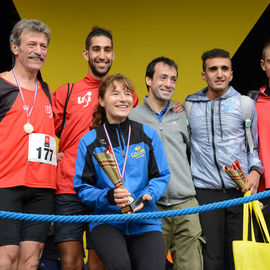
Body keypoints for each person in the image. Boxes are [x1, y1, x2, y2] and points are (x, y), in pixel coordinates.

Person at [52, 27, 138, 270]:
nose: (102, 55)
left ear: (113, 54)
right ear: (86, 54)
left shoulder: (126, 94)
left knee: (100, 261)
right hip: (69, 187)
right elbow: (45, 131)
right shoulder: (66, 92)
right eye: (96, 49)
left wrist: (173, 106)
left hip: (106, 189)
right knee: (70, 262)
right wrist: (54, 154)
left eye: (107, 50)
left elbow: (140, 124)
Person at [73, 74, 170, 270]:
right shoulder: (90, 141)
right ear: (102, 100)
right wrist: (108, 196)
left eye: (127, 93)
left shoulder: (148, 135)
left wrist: (147, 195)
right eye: (115, 93)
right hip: (107, 220)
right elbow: (82, 187)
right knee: (120, 266)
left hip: (144, 220)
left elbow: (161, 176)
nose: (122, 98)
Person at [185, 48, 263, 270]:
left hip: (239, 190)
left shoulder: (245, 104)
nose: (219, 74)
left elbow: (254, 147)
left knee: (240, 258)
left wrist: (256, 171)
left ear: (231, 74)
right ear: (204, 75)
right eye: (213, 69)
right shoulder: (190, 106)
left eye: (224, 69)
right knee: (211, 258)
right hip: (205, 192)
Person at [129, 56, 203, 270]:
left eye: (173, 79)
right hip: (150, 205)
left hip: (186, 204)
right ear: (148, 80)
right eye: (163, 78)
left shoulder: (183, 114)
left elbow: (192, 153)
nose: (169, 84)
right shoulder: (132, 117)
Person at [0, 19, 56, 270]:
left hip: (42, 189)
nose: (39, 51)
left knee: (31, 262)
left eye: (43, 46)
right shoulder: (1, 85)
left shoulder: (46, 90)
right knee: (6, 259)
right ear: (15, 48)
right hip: (5, 185)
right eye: (31, 44)